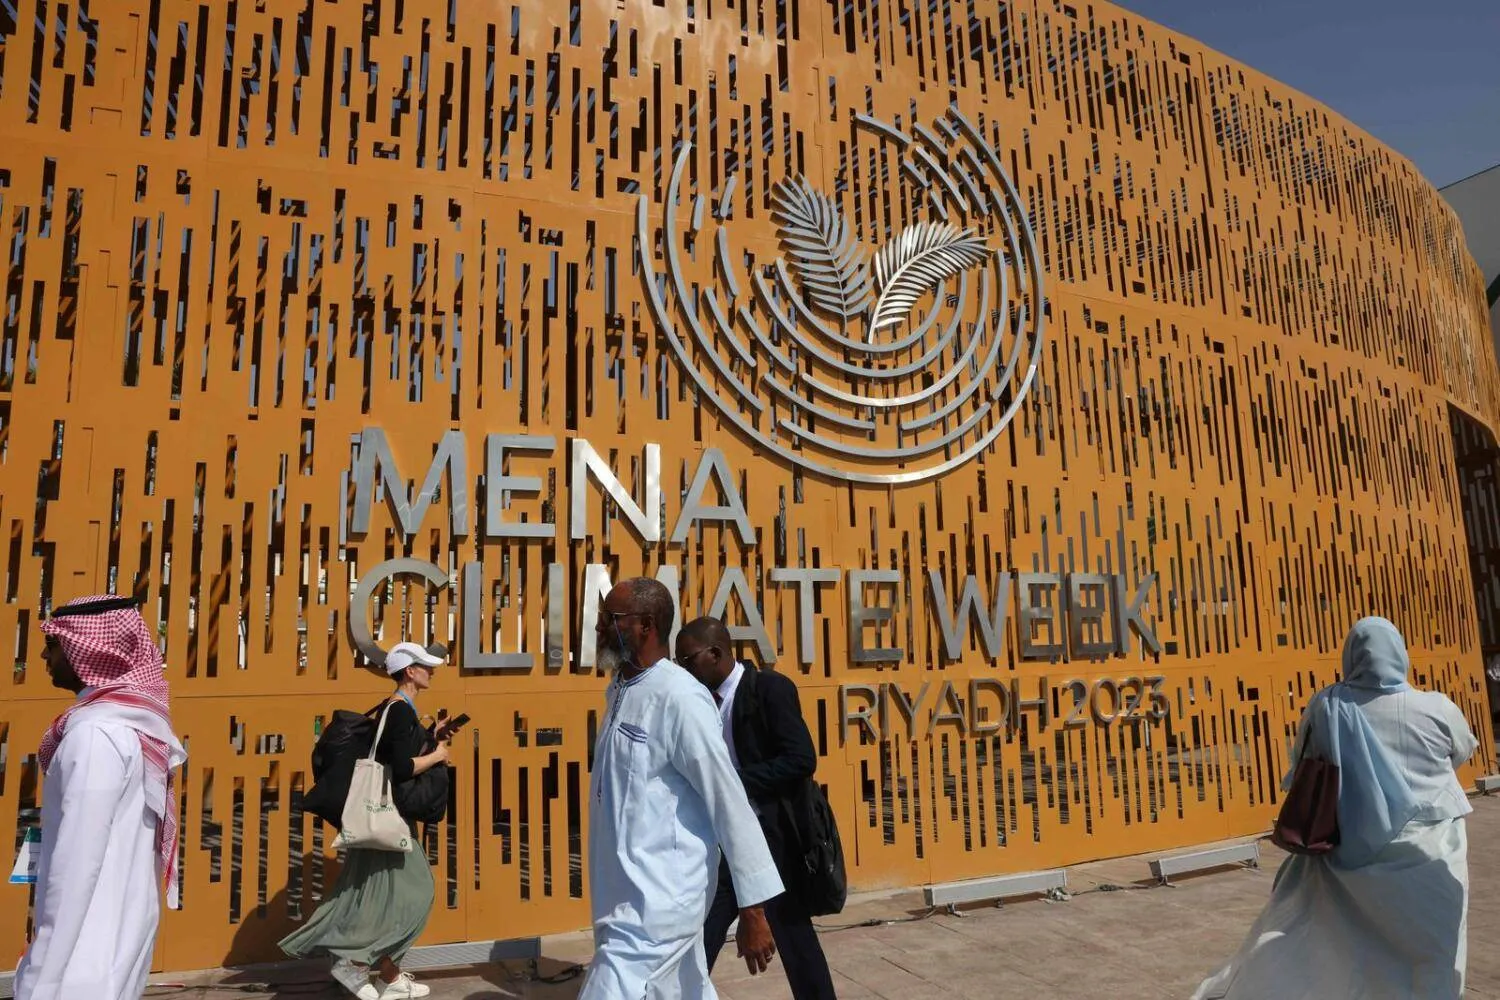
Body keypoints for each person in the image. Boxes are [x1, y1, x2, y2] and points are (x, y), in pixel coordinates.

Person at [1194, 616, 1479, 1000]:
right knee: (1434, 944)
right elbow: (1462, 751)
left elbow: (1304, 763)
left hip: (1344, 844)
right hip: (1432, 846)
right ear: (1400, 653)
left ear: (1351, 655)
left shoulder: (1328, 705)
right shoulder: (1437, 708)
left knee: (1335, 940)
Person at [580, 578, 784, 1000]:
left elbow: (727, 799)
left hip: (659, 899)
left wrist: (753, 908)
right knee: (681, 990)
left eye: (611, 619)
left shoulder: (681, 697)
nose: (600, 627)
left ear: (646, 626)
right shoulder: (620, 688)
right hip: (622, 894)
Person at [15, 594, 188, 1000]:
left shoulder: (96, 736)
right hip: (114, 925)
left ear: (90, 652)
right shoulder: (124, 725)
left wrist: (43, 971)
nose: (44, 655)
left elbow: (77, 861)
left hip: (83, 944)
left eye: (54, 645)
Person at [675, 616, 838, 1000]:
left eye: (688, 660)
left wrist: (733, 782)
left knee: (795, 939)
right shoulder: (695, 702)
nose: (683, 669)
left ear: (715, 653)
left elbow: (801, 758)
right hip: (725, 842)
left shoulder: (768, 689)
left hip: (775, 841)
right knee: (701, 933)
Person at [280, 641, 454, 1000]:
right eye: (425, 665)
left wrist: (432, 737)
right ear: (409, 671)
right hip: (388, 821)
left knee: (370, 897)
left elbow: (396, 755)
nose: (431, 670)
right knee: (418, 893)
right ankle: (354, 964)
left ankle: (388, 979)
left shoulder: (400, 710)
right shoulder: (400, 711)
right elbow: (404, 768)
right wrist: (438, 755)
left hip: (382, 821)